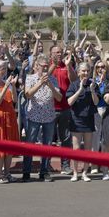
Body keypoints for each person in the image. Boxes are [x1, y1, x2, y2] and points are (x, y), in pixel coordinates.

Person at [22, 54, 62, 182]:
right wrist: (40, 83)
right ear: (36, 66)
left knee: (47, 145)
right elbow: (28, 94)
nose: (45, 69)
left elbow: (59, 97)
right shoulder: (30, 78)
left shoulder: (53, 79)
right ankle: (26, 172)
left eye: (46, 67)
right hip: (33, 116)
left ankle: (44, 171)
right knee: (30, 145)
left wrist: (49, 84)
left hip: (49, 117)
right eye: (42, 67)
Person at [66, 62, 100, 182]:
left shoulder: (93, 85)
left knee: (87, 148)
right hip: (76, 119)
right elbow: (69, 102)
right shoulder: (74, 85)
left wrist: (92, 91)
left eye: (87, 71)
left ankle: (85, 172)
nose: (85, 73)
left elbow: (96, 102)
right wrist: (80, 89)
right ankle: (75, 173)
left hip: (89, 119)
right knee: (76, 149)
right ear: (78, 72)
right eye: (83, 71)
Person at [49, 45, 77, 175]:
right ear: (51, 54)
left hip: (65, 108)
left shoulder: (66, 65)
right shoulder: (47, 65)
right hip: (50, 108)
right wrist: (53, 65)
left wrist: (69, 65)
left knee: (65, 138)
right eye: (57, 52)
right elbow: (44, 77)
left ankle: (65, 165)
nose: (59, 54)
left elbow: (74, 80)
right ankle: (46, 164)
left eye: (61, 52)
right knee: (48, 138)